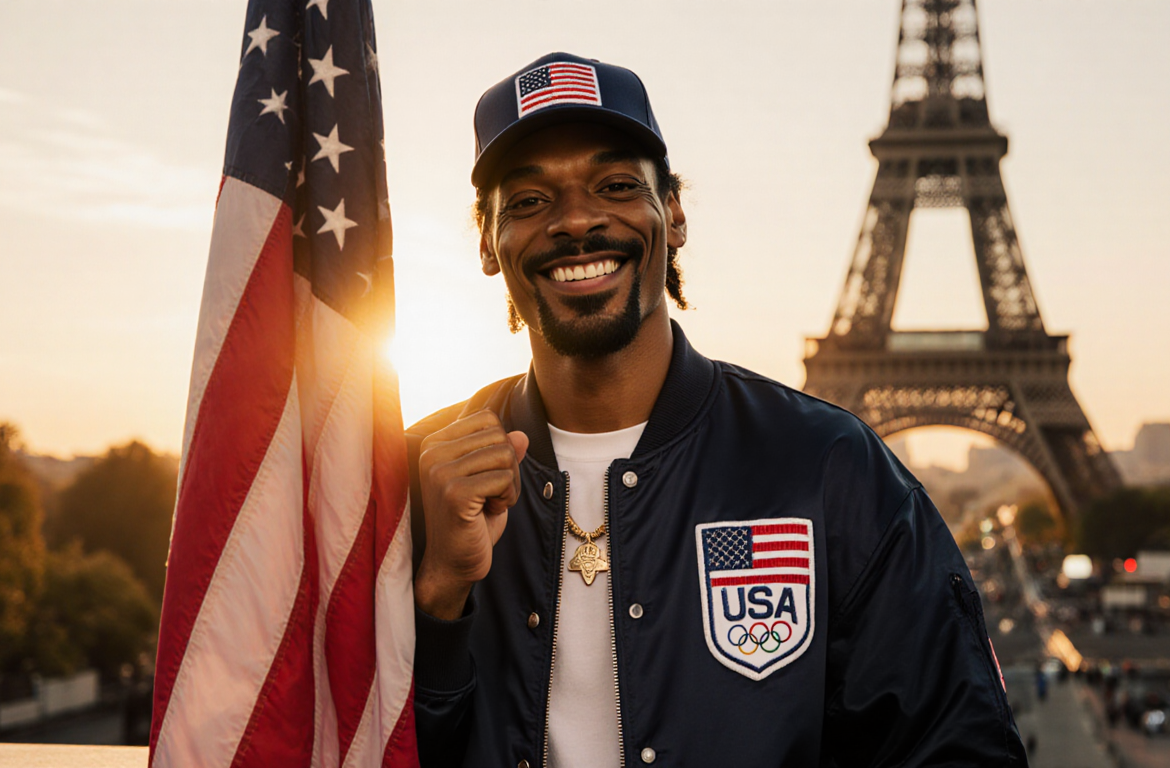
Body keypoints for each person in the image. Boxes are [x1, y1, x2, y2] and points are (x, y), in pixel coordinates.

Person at [408, 52, 1028, 768]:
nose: (576, 219)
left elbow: (953, 745)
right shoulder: (409, 483)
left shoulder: (827, 469)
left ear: (671, 213)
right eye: (528, 200)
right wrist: (438, 601)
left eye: (614, 185)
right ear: (488, 242)